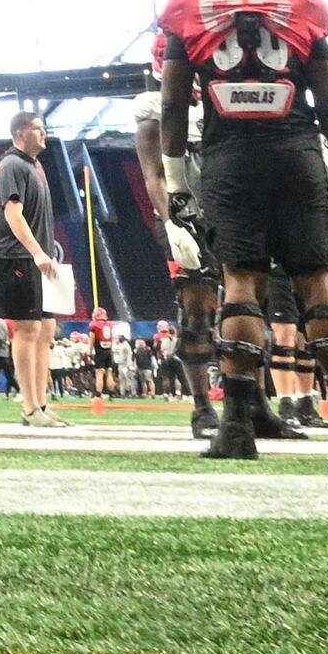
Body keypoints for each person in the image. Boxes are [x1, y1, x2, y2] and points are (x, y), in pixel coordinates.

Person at [154, 0, 328, 464]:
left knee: (240, 284)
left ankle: (235, 429)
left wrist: (179, 186)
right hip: (296, 155)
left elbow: (170, 107)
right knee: (319, 286)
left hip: (229, 160)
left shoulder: (187, 8)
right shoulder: (302, 4)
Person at [134, 68, 225, 437]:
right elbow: (153, 174)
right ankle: (202, 407)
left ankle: (248, 401)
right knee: (197, 312)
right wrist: (171, 221)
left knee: (244, 308)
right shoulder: (152, 107)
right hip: (184, 216)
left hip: (226, 211)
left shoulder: (218, 97)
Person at [0, 113, 67, 427]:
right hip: (15, 257)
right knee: (28, 330)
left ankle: (41, 405)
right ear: (20, 133)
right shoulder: (13, 165)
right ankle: (30, 409)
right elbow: (13, 214)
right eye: (37, 127)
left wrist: (49, 251)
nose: (44, 132)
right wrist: (37, 252)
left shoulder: (34, 165)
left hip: (36, 257)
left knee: (45, 331)